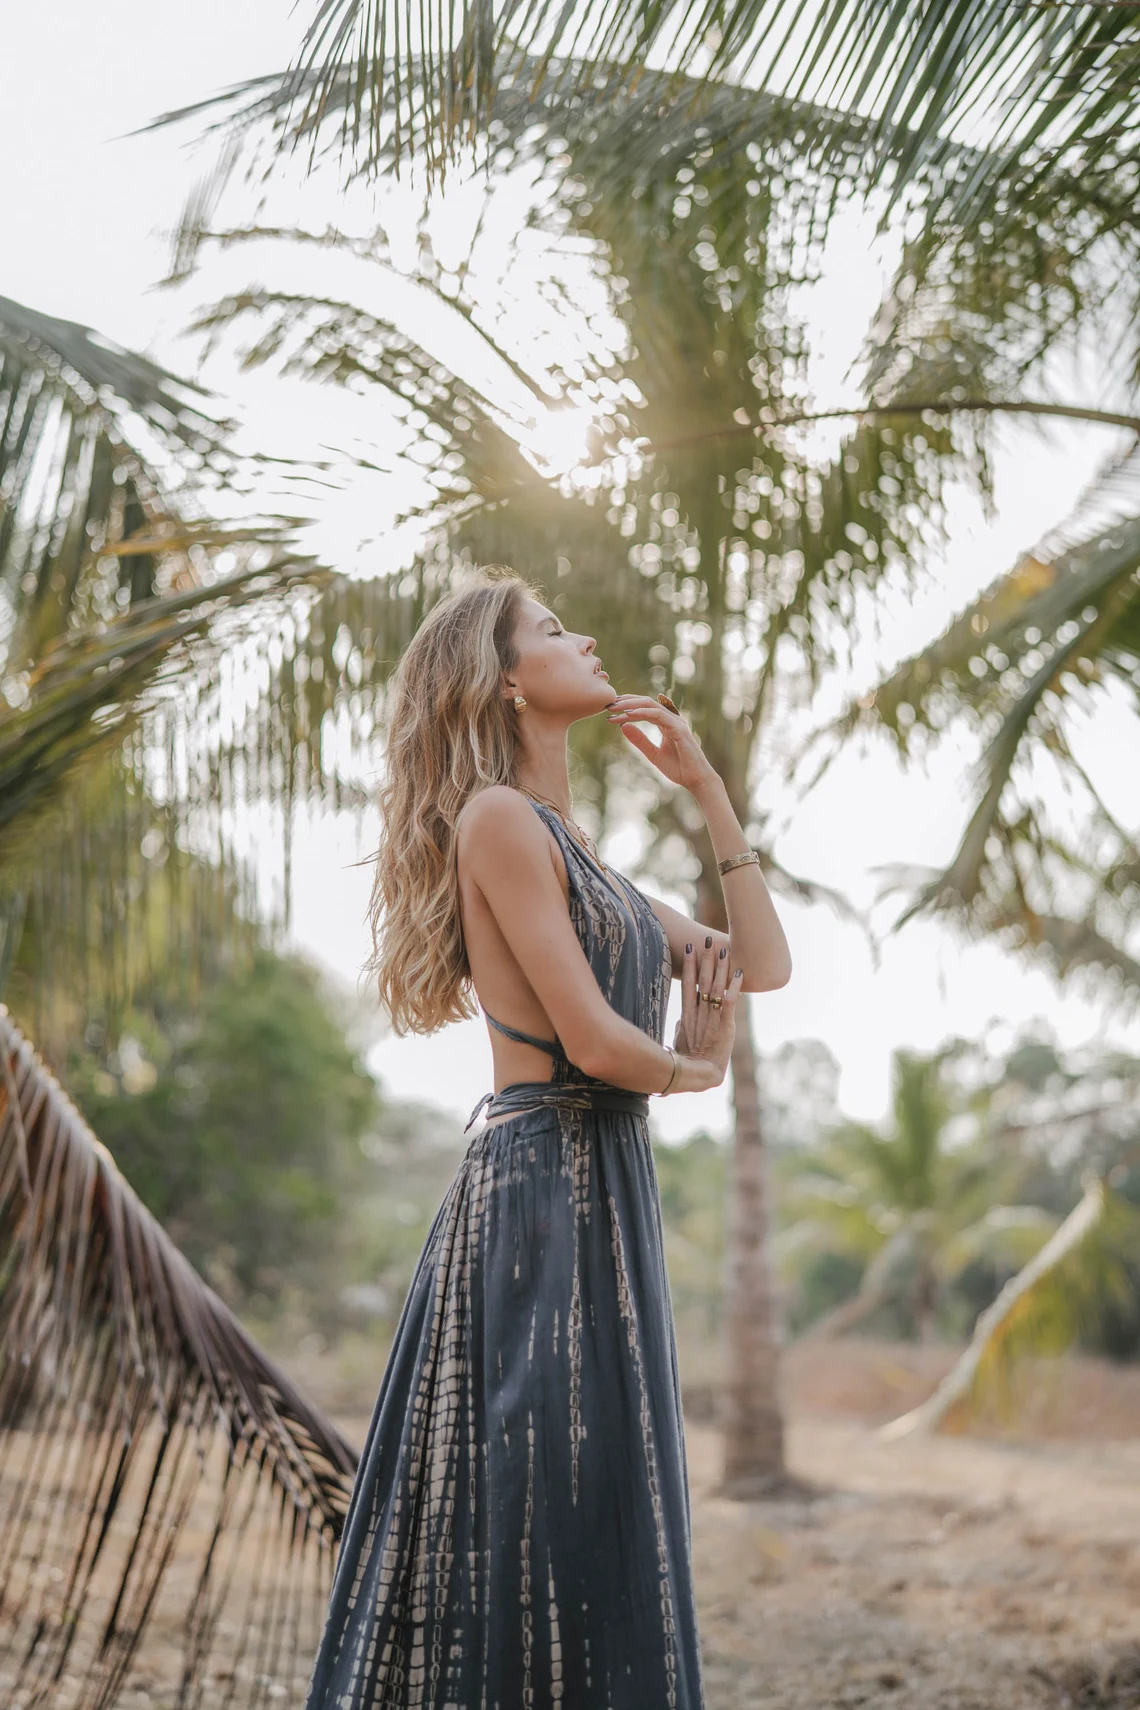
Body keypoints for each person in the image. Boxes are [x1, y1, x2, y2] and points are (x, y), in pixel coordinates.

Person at [304, 567, 792, 1710]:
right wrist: (699, 1068)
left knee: (597, 1489)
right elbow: (598, 1042)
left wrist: (709, 789)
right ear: (507, 681)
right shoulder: (498, 820)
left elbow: (758, 965)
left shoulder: (588, 861)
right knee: (542, 1502)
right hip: (537, 1181)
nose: (585, 640)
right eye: (553, 631)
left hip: (599, 1178)